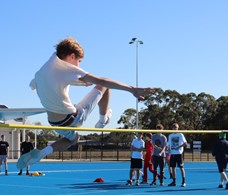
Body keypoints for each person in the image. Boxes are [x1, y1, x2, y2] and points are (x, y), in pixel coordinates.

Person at [17, 37, 154, 170]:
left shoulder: (43, 70)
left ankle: (42, 153)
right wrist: (132, 89)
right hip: (72, 119)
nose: (79, 66)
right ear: (71, 56)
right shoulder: (65, 68)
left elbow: (46, 84)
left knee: (74, 138)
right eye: (79, 61)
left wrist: (79, 81)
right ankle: (103, 120)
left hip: (55, 123)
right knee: (103, 86)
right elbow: (102, 81)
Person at [167, 123, 187, 187]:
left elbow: (185, 143)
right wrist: (168, 150)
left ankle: (183, 181)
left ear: (178, 128)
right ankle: (174, 181)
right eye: (174, 127)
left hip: (179, 153)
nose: (175, 129)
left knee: (181, 167)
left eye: (176, 127)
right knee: (173, 168)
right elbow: (168, 144)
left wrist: (179, 147)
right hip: (173, 154)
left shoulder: (180, 135)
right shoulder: (170, 136)